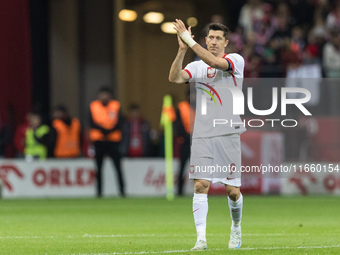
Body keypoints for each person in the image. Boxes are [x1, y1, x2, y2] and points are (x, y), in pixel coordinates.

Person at [169, 20, 246, 250]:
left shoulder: (235, 60)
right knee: (200, 185)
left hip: (228, 133)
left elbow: (213, 61)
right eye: (210, 37)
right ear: (206, 39)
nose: (213, 41)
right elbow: (174, 77)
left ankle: (236, 227)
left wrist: (188, 39)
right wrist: (181, 51)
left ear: (226, 42)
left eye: (218, 38)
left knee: (232, 192)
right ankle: (201, 239)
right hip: (202, 134)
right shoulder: (196, 66)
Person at [89, 86, 125, 197]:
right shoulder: (93, 106)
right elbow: (91, 122)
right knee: (99, 168)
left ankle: (122, 192)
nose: (104, 97)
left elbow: (120, 121)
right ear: (99, 95)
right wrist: (104, 130)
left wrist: (109, 131)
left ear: (110, 96)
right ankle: (99, 193)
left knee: (118, 167)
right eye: (102, 94)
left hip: (113, 140)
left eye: (106, 94)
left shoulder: (116, 105)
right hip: (99, 141)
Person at [174, 88, 195, 196]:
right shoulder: (181, 107)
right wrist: (187, 136)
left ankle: (204, 191)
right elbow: (178, 125)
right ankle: (179, 191)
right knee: (182, 167)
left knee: (202, 167)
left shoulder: (202, 106)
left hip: (198, 141)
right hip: (186, 141)